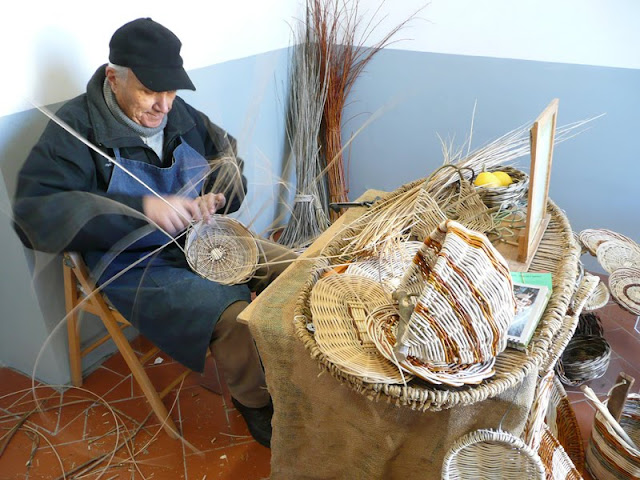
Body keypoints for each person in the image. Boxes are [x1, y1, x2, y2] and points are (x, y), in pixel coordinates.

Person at [13, 17, 296, 448]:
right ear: (114, 77)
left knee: (293, 270)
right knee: (233, 315)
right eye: (149, 91)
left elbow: (228, 157)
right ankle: (256, 403)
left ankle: (296, 370)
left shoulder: (176, 110)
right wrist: (141, 209)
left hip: (199, 235)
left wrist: (216, 195)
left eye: (171, 91)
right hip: (131, 261)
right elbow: (34, 213)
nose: (163, 106)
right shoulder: (74, 130)